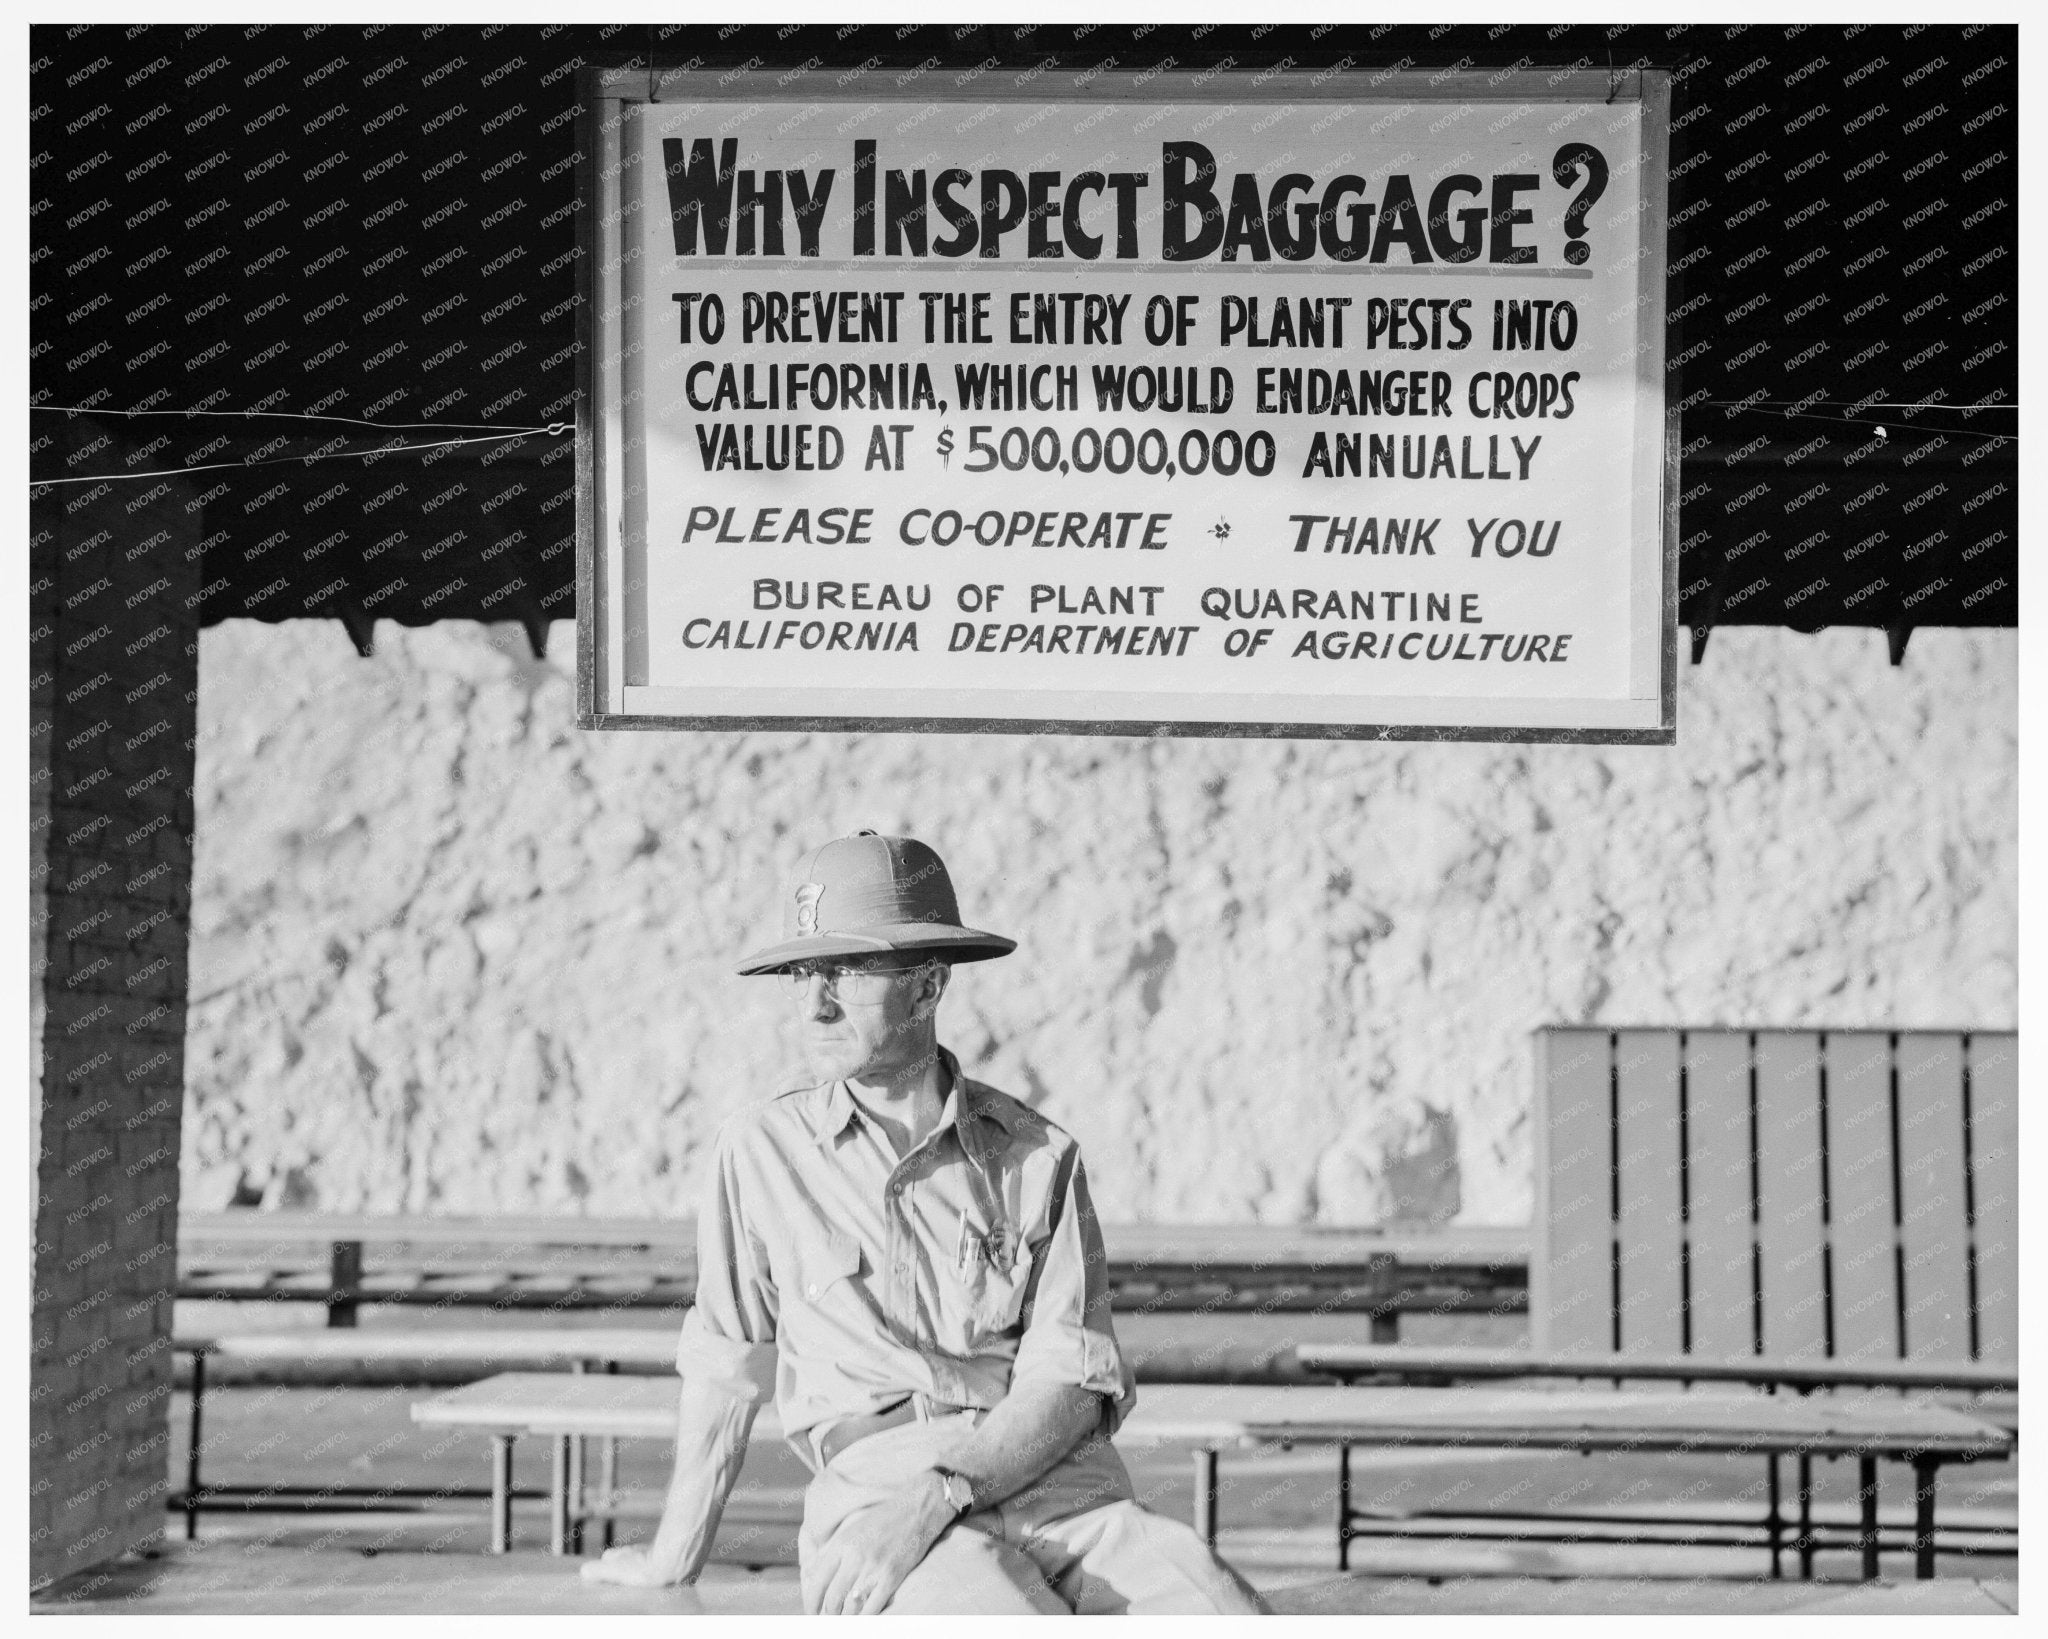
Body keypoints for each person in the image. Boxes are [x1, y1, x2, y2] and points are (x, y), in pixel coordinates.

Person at [582, 830, 1268, 1614]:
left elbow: (1073, 1382)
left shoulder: (1039, 1156)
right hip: (882, 1501)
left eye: (846, 969)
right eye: (805, 972)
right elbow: (726, 1367)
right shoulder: (760, 1150)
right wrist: (673, 1557)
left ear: (929, 985)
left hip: (1064, 1494)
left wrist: (948, 1489)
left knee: (1224, 1612)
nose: (815, 1002)